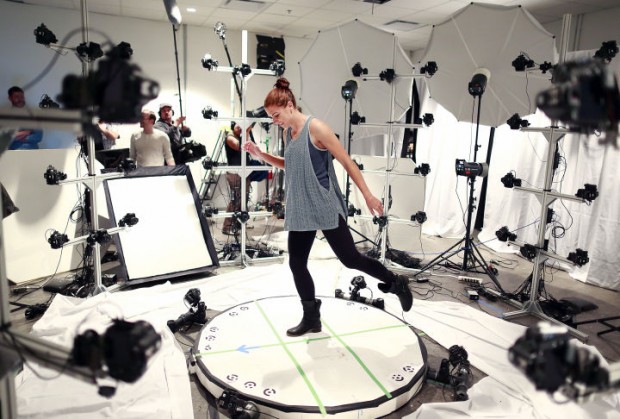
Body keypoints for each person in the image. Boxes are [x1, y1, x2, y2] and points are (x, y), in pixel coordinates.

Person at [243, 78, 413, 337]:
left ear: (289, 105)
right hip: (302, 207)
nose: (274, 120)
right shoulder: (290, 132)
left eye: (276, 115)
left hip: (323, 203)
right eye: (271, 117)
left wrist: (367, 195)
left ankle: (395, 283)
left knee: (350, 259)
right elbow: (293, 165)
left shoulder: (317, 128)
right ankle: (311, 317)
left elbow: (346, 162)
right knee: (297, 264)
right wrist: (260, 154)